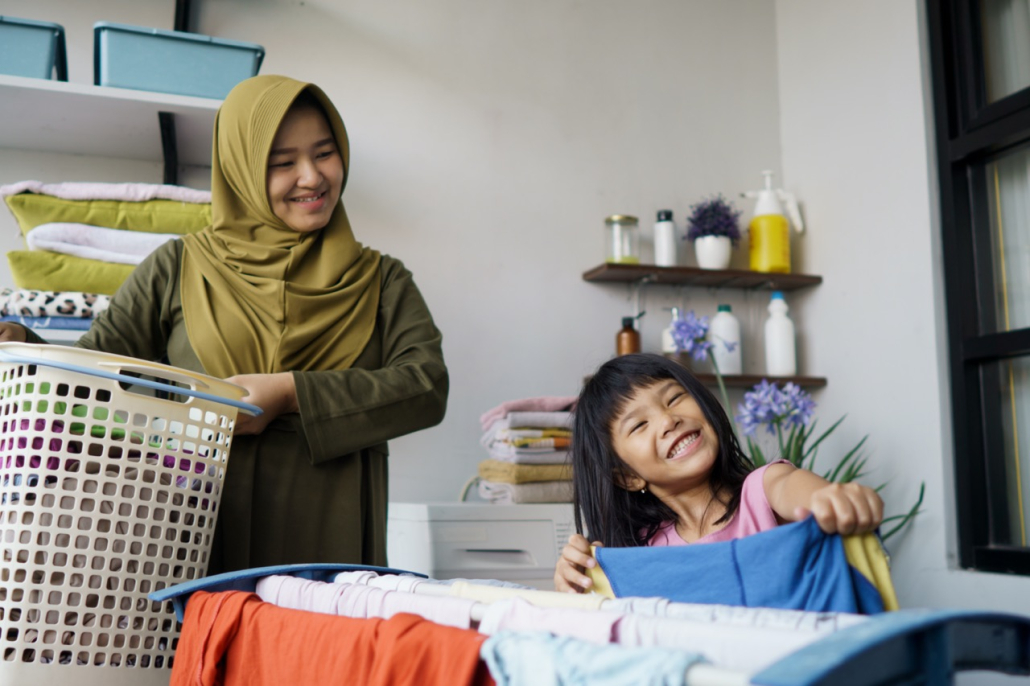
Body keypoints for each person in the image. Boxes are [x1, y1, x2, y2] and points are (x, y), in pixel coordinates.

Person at [0, 75, 448, 575]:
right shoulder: (177, 266)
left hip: (330, 541)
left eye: (324, 153)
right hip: (196, 537)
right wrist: (19, 340)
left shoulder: (381, 279)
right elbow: (92, 374)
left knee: (316, 651)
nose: (311, 177)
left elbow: (426, 386)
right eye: (282, 163)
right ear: (240, 170)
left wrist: (292, 392)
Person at [554, 353, 882, 593]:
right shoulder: (642, 554)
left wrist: (829, 499)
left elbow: (795, 489)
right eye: (640, 424)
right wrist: (577, 578)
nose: (669, 420)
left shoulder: (762, 490)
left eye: (675, 398)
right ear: (627, 477)